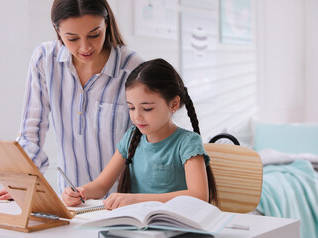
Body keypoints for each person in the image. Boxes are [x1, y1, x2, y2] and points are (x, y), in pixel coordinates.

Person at [0, 0, 143, 200]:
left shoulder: (133, 68)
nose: (85, 47)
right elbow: (31, 131)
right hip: (70, 199)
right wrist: (21, 181)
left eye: (94, 34)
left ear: (107, 24)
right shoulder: (45, 59)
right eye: (72, 38)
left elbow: (146, 138)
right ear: (58, 31)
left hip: (122, 200)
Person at [62, 58, 218, 209]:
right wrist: (81, 192)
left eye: (147, 108)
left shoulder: (187, 143)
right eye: (131, 108)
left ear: (173, 104)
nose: (137, 116)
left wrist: (136, 199)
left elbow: (199, 196)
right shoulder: (131, 138)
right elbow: (101, 185)